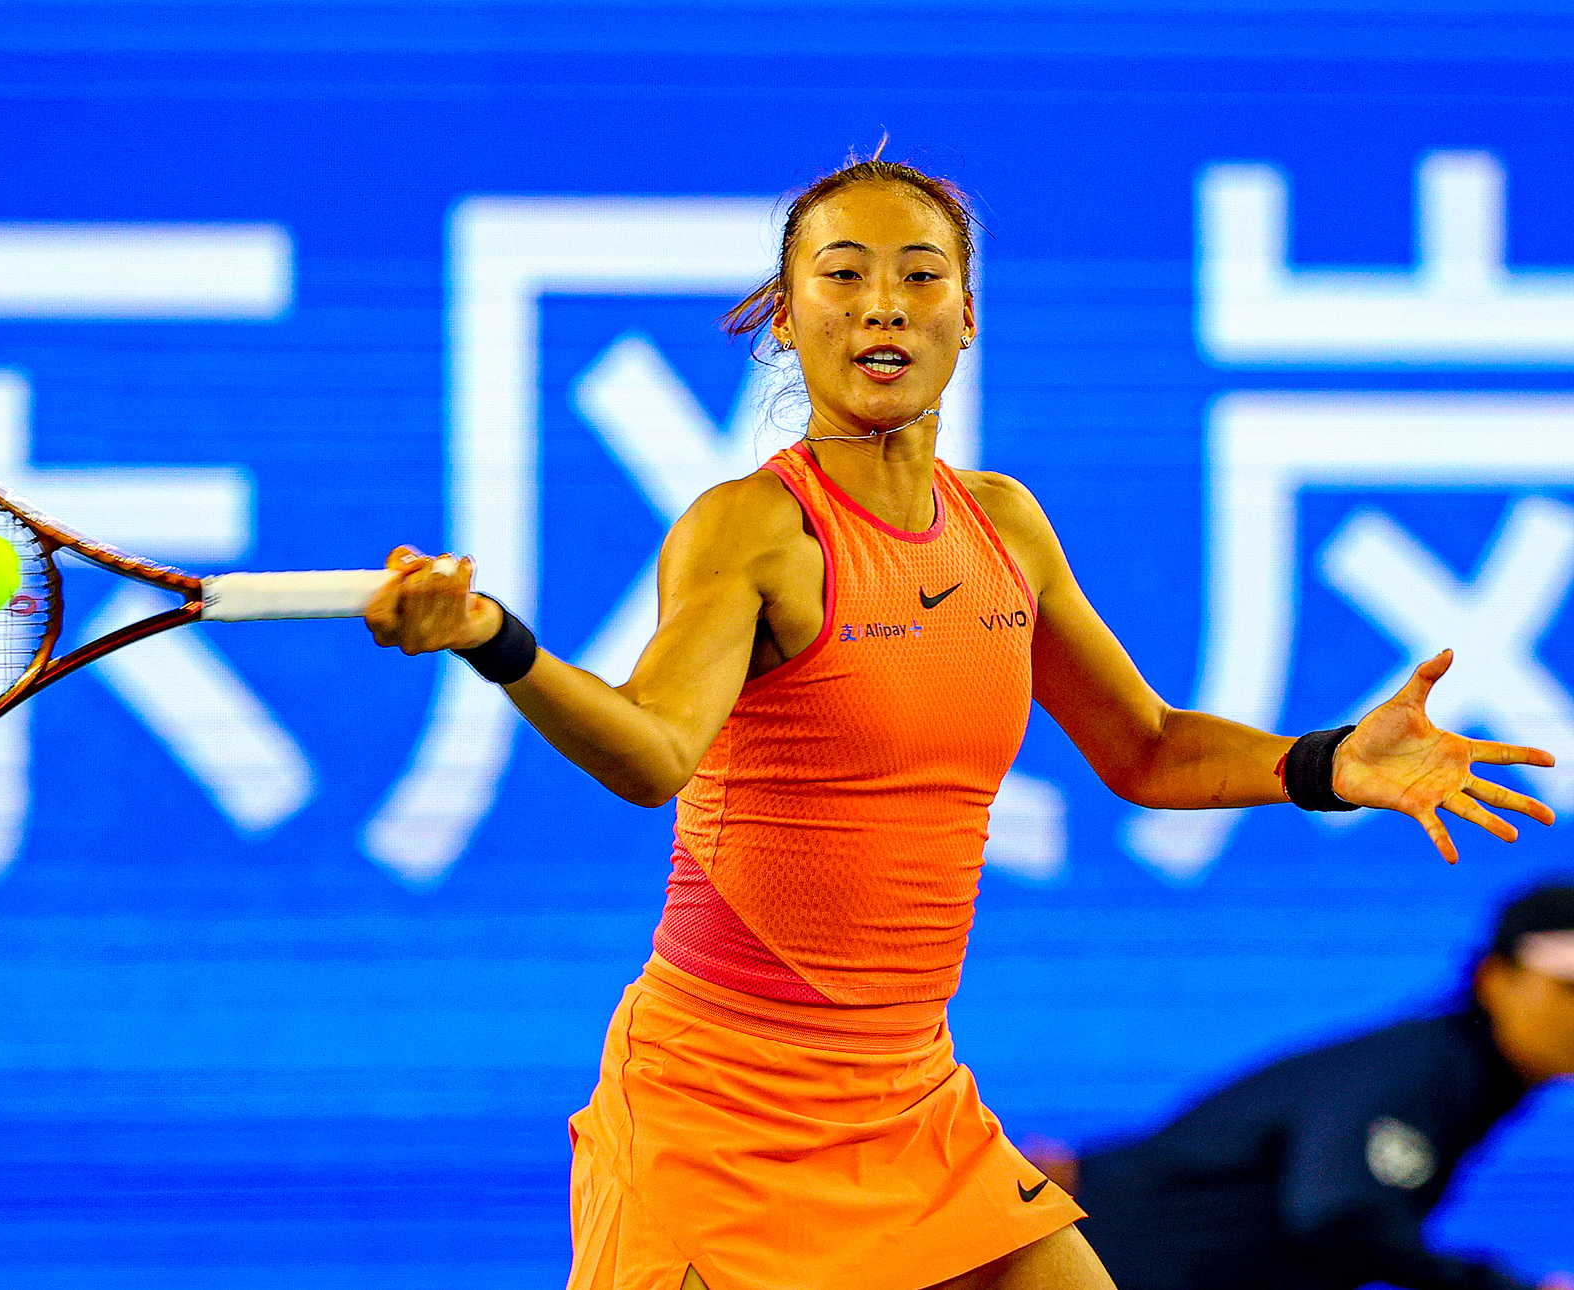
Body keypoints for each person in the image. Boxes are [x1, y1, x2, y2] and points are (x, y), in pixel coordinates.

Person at [362, 148, 1558, 1290]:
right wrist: (491, 640)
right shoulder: (747, 528)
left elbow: (1142, 747)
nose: (881, 304)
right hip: (717, 1104)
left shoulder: (1004, 526)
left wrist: (1329, 762)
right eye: (840, 275)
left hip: (907, 1095)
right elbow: (650, 752)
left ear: (966, 315)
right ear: (784, 315)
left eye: (918, 274)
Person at [1033, 881, 1574, 1290]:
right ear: (1493, 980)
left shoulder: (1460, 1077)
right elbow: (1339, 1214)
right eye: (1567, 988)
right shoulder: (1422, 1068)